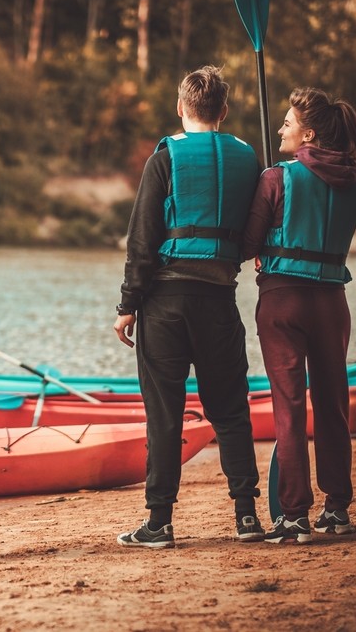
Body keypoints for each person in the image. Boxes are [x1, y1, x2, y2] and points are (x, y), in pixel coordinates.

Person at [113, 65, 264, 548]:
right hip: (219, 301)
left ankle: (159, 524)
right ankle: (247, 517)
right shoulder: (248, 159)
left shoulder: (165, 158)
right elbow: (255, 233)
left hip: (165, 304)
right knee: (231, 411)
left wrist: (127, 304)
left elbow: (142, 238)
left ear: (181, 107)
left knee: (165, 414)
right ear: (223, 110)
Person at [242, 87, 356, 543]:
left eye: (288, 122)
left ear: (308, 134)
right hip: (332, 303)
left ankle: (294, 514)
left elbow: (247, 245)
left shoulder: (277, 177)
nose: (281, 127)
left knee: (289, 407)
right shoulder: (353, 180)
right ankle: (337, 508)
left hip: (282, 303)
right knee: (334, 404)